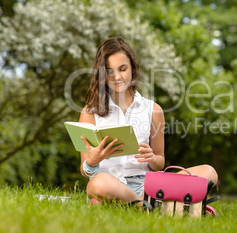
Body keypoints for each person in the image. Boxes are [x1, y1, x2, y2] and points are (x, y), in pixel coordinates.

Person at [79, 37, 218, 204]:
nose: (117, 77)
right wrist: (92, 162)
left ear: (133, 69)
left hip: (147, 186)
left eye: (122, 69)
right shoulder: (89, 112)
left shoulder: (153, 110)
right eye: (109, 71)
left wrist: (152, 158)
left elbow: (160, 161)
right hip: (109, 184)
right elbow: (85, 171)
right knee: (99, 183)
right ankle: (149, 205)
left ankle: (141, 203)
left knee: (209, 172)